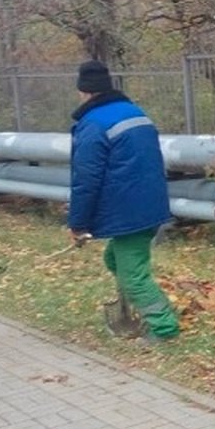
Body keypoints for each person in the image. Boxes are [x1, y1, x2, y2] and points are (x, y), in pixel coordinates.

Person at [68, 60, 179, 344]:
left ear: (85, 92)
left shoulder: (93, 124)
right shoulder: (135, 113)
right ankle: (136, 309)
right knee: (113, 258)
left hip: (128, 212)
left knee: (133, 275)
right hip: (150, 203)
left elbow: (86, 179)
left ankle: (163, 327)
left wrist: (78, 223)